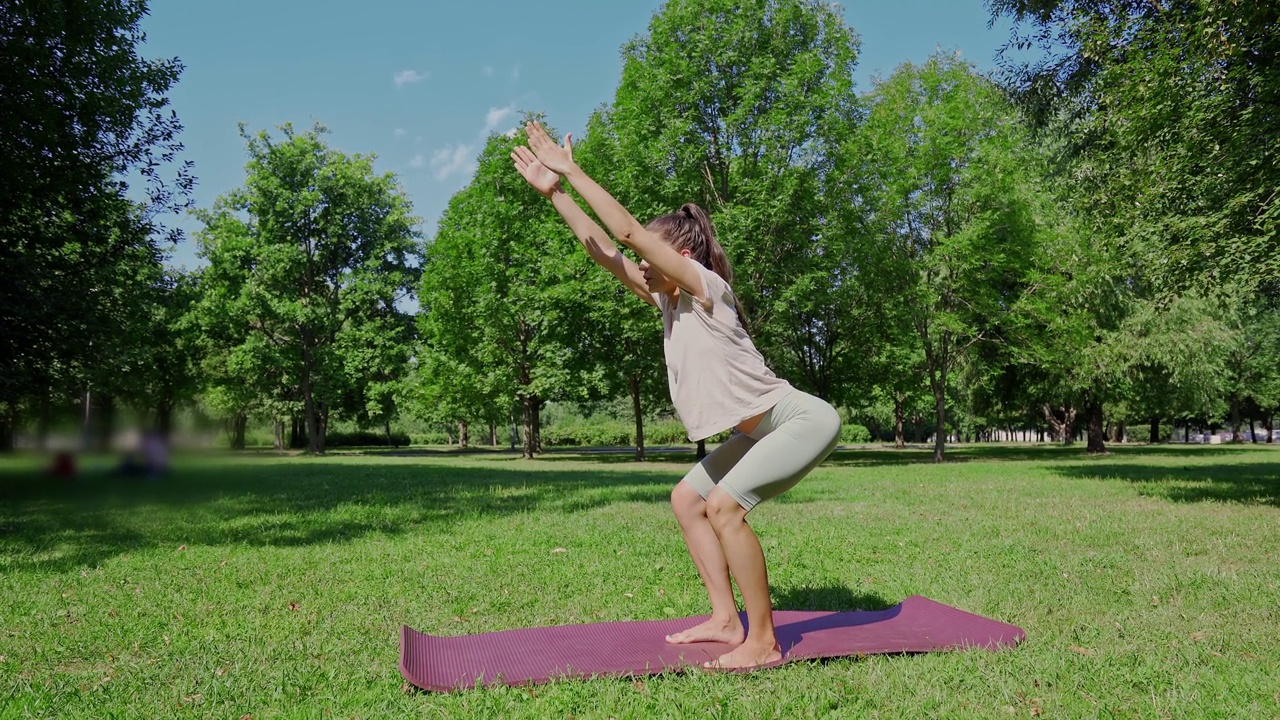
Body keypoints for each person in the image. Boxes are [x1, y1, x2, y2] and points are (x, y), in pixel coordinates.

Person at [512, 121, 842, 670]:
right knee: (688, 500)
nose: (643, 264)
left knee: (725, 507)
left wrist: (574, 169)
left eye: (653, 254)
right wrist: (557, 196)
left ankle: (763, 642)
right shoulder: (669, 302)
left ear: (682, 253)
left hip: (799, 420)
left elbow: (628, 236)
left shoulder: (706, 288)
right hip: (758, 428)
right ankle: (724, 619)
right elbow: (605, 252)